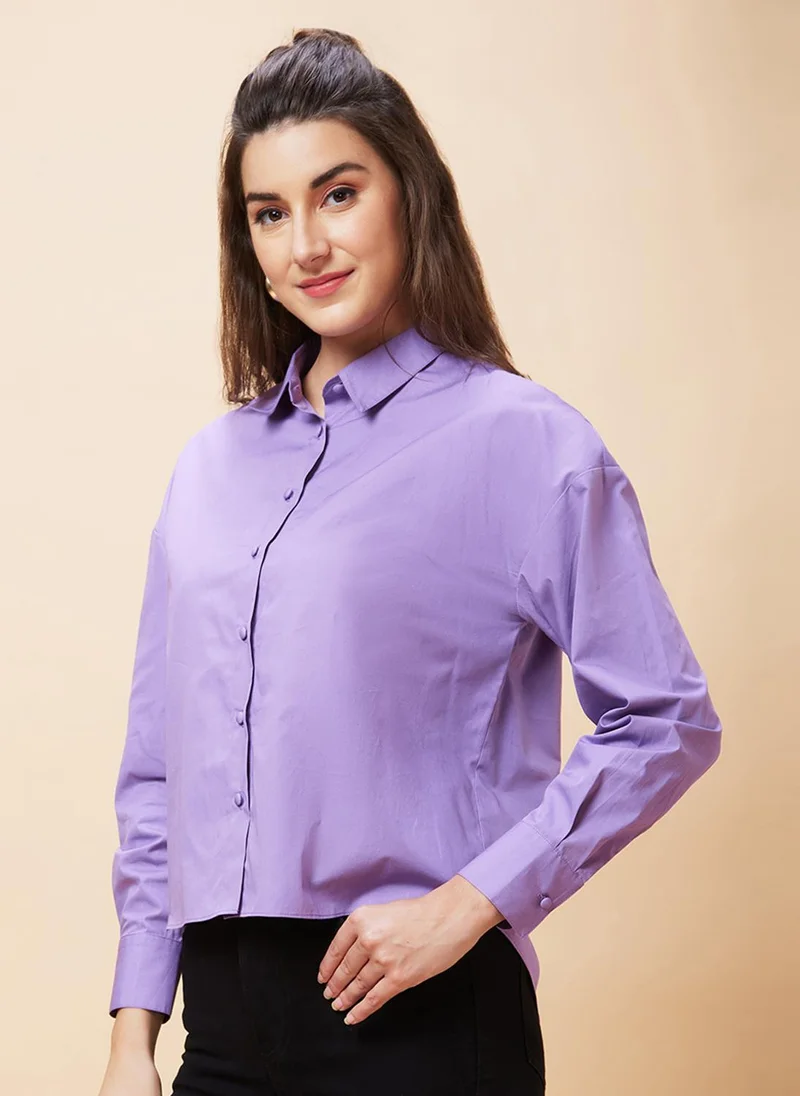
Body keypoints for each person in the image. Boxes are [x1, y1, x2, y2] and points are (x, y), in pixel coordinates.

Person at [98, 26, 723, 1096]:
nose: (306, 243)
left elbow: (666, 718)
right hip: (221, 1037)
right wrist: (131, 1033)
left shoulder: (521, 441)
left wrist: (471, 902)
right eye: (268, 213)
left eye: (338, 194)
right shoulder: (208, 471)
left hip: (420, 1029)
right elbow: (157, 770)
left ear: (408, 195)